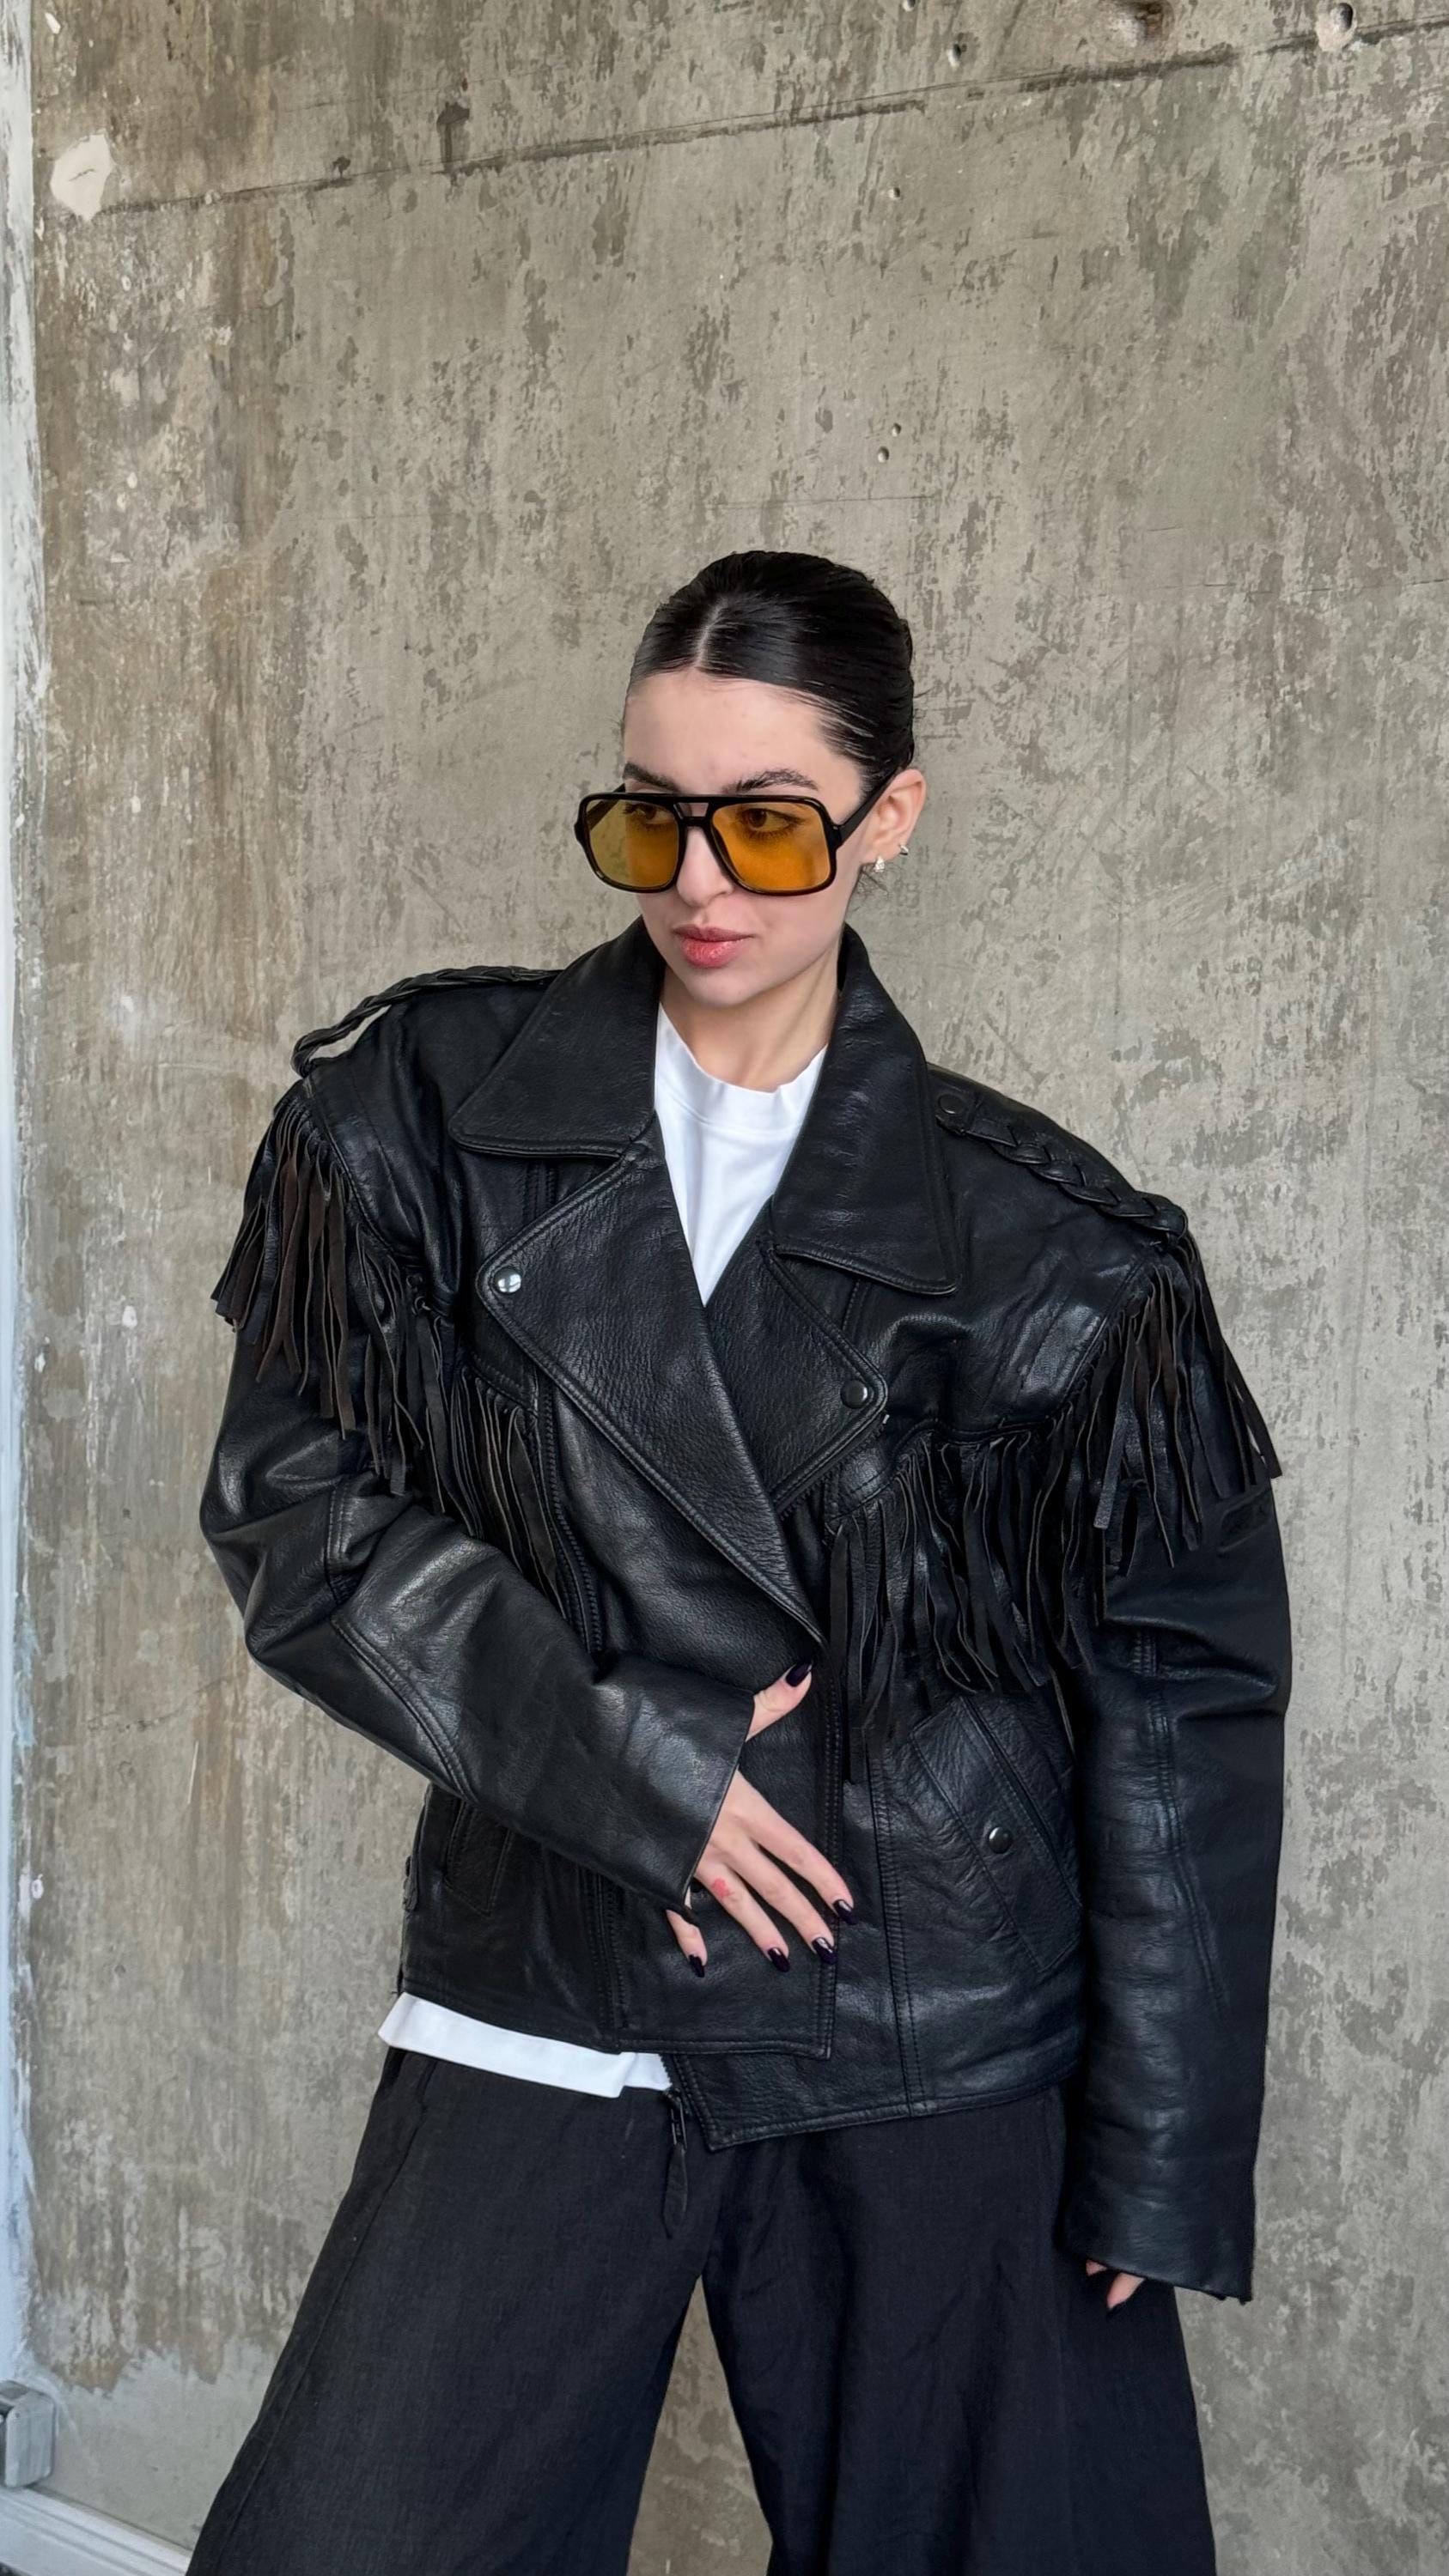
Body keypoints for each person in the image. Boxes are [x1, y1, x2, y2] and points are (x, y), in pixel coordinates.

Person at [188, 549, 1292, 2575]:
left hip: (927, 2005)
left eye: (770, 824)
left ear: (888, 818)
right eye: (650, 817)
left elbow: (1176, 1704)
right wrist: (634, 1770)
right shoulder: (414, 1120)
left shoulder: (1056, 1243)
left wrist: (1161, 2139)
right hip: (558, 1950)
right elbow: (295, 1514)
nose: (699, 882)